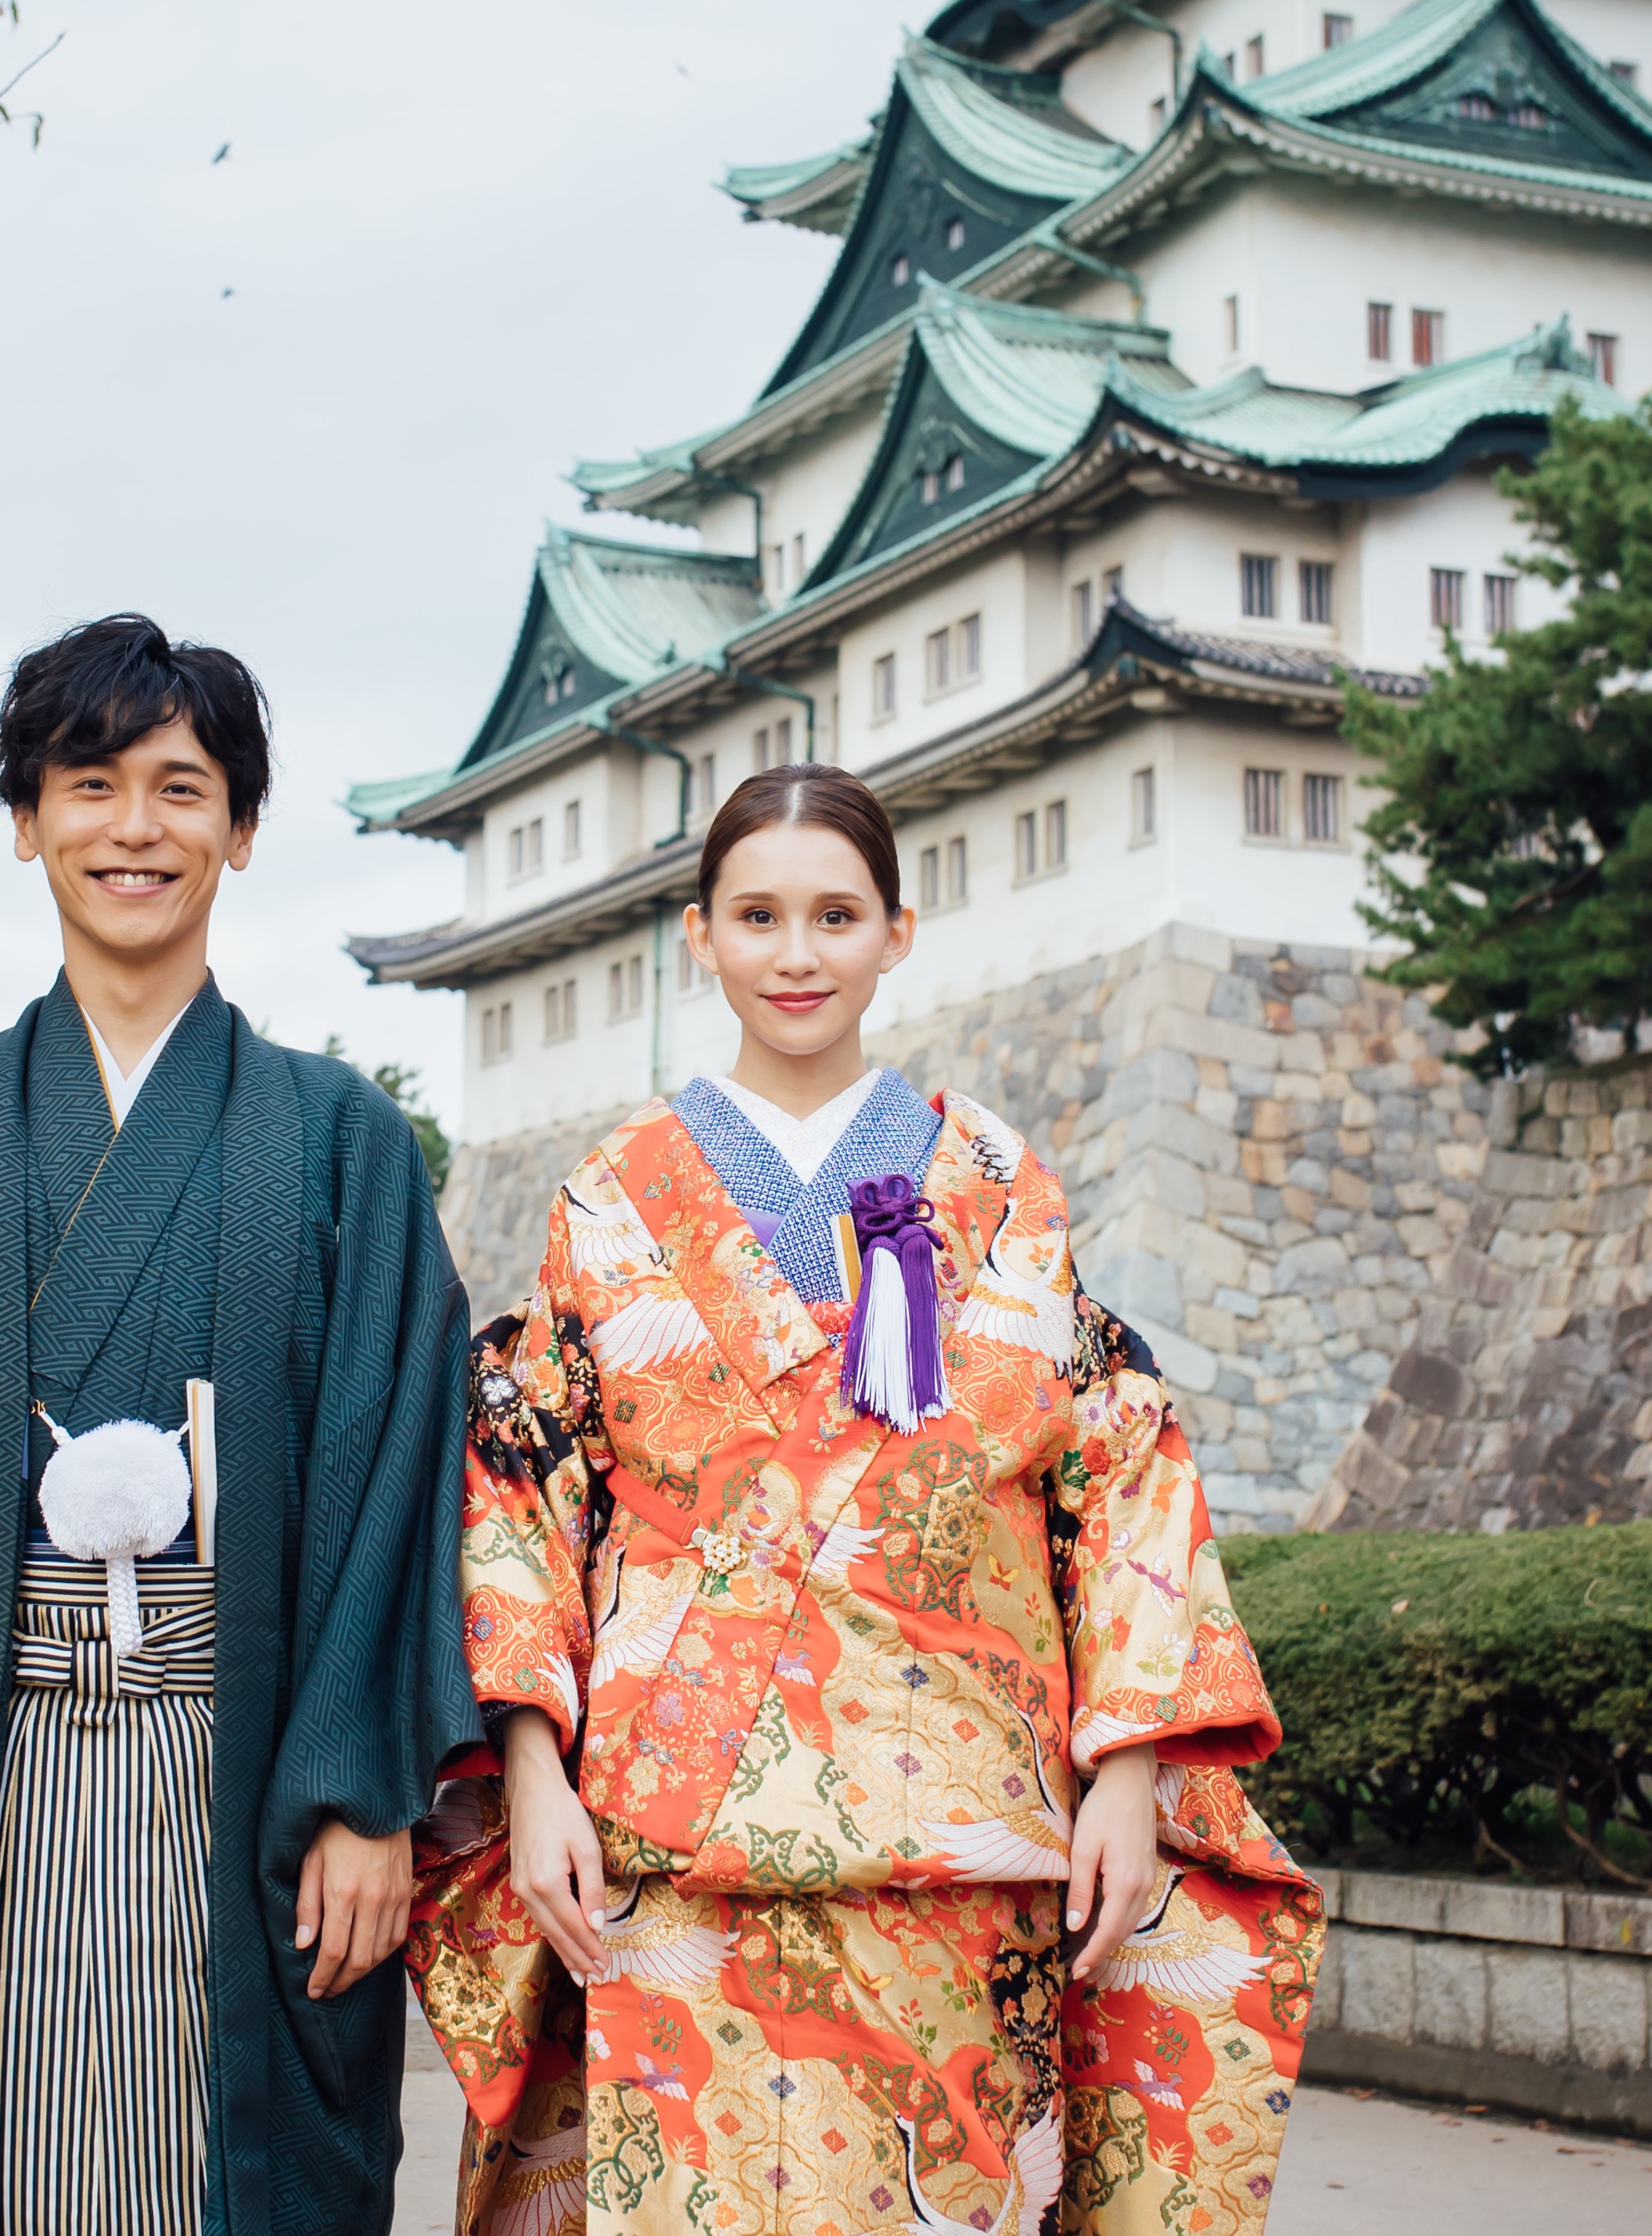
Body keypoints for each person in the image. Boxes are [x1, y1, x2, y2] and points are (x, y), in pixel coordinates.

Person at [409, 764, 1320, 2236]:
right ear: (699, 937)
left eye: (837, 915)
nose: (797, 952)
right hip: (669, 1838)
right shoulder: (615, 1197)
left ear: (900, 931)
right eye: (758, 916)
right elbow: (524, 1488)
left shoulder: (997, 1187)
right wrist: (526, 1771)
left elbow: (1116, 1466)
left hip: (962, 1835)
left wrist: (1136, 1771)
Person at [0, 615, 482, 2236]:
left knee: (230, 2174)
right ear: (28, 820)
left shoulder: (343, 1143)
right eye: (91, 783)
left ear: (242, 832)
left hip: (252, 1773)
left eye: (183, 790)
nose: (137, 828)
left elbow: (407, 1483)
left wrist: (369, 1794)